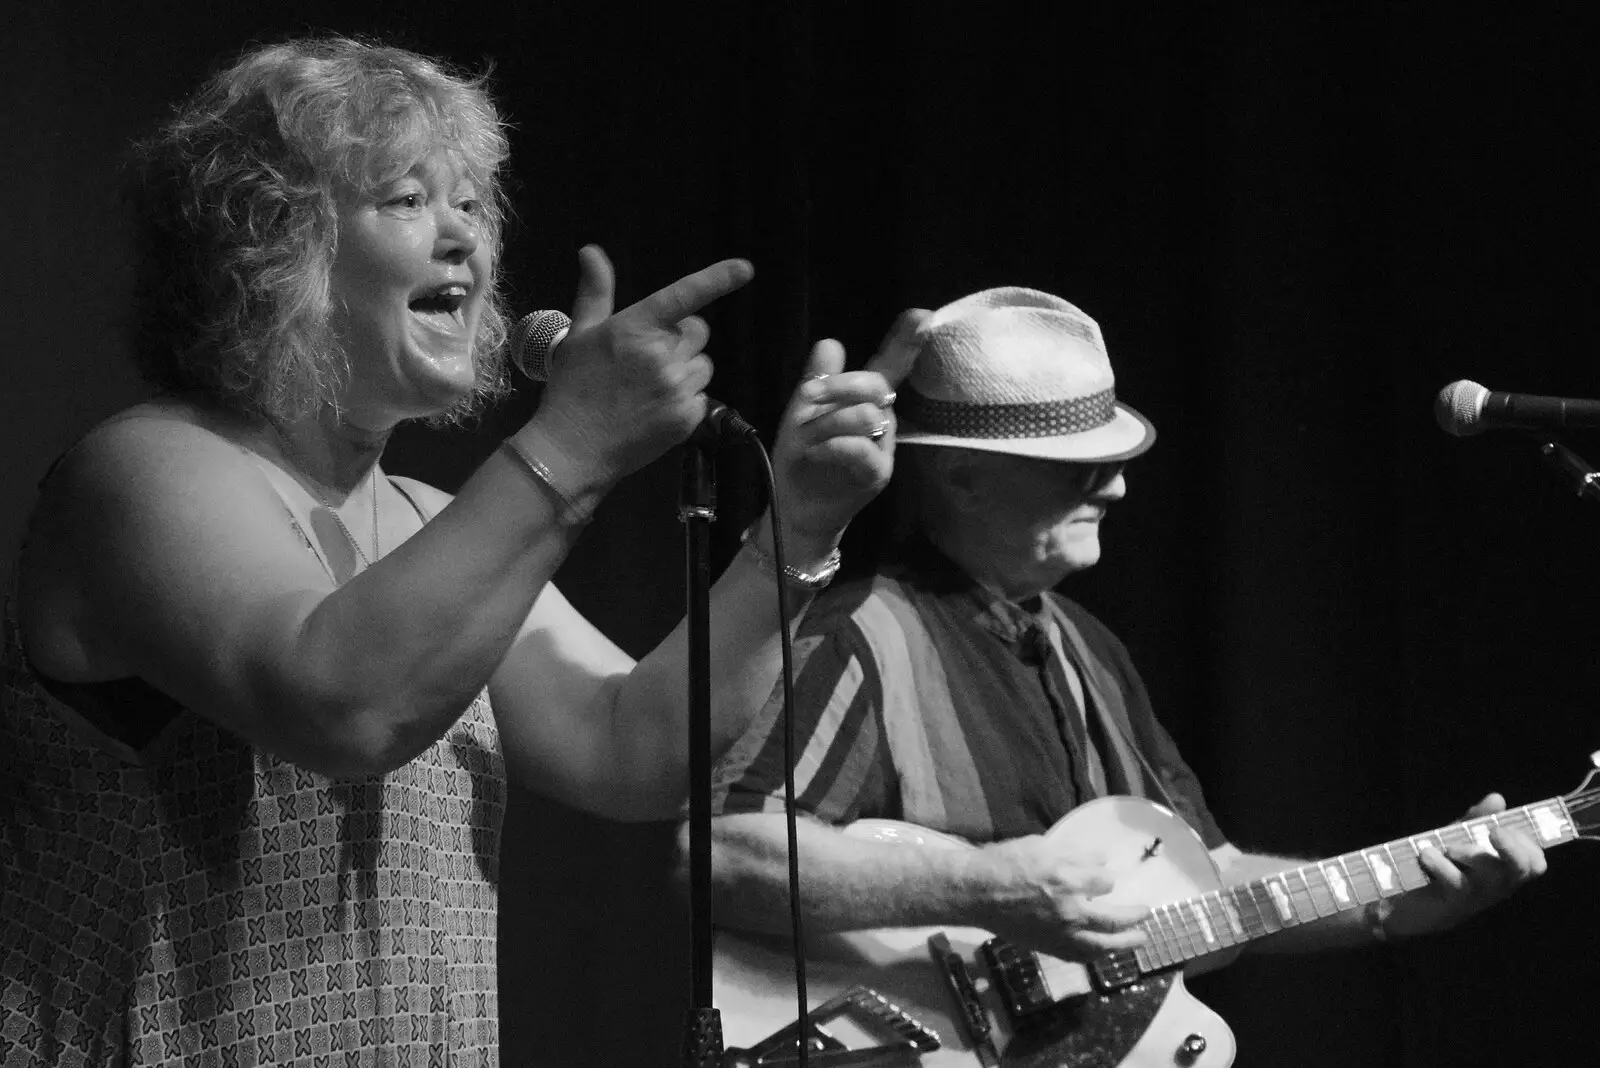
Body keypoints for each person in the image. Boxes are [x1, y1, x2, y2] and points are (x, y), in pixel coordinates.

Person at [0, 36, 921, 1067]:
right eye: (405, 200)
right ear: (266, 246)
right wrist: (568, 448)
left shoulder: (432, 521)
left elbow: (634, 748)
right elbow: (346, 703)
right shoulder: (146, 469)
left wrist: (796, 528)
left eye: (475, 205)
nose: (465, 245)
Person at [695, 286, 1549, 1053]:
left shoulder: (1088, 648)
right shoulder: (858, 635)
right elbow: (722, 855)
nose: (1118, 491)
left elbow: (1209, 887)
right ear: (961, 476)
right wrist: (990, 886)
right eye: (1081, 468)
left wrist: (1399, 903)